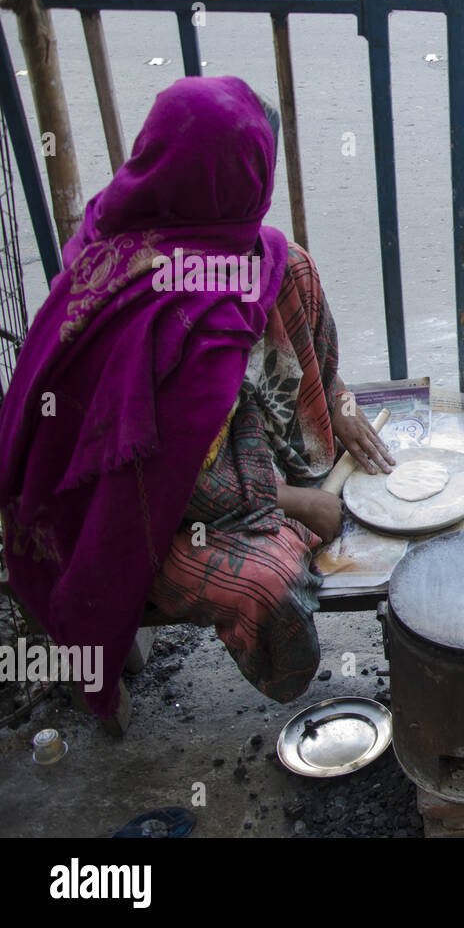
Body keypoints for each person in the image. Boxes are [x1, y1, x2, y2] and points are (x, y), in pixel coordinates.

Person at [0, 76, 394, 717]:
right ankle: (287, 509)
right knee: (267, 589)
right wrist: (298, 504)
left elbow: (278, 292)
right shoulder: (152, 313)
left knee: (286, 260)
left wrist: (340, 397)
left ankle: (296, 475)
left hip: (220, 462)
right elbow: (162, 482)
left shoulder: (198, 235)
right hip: (128, 510)